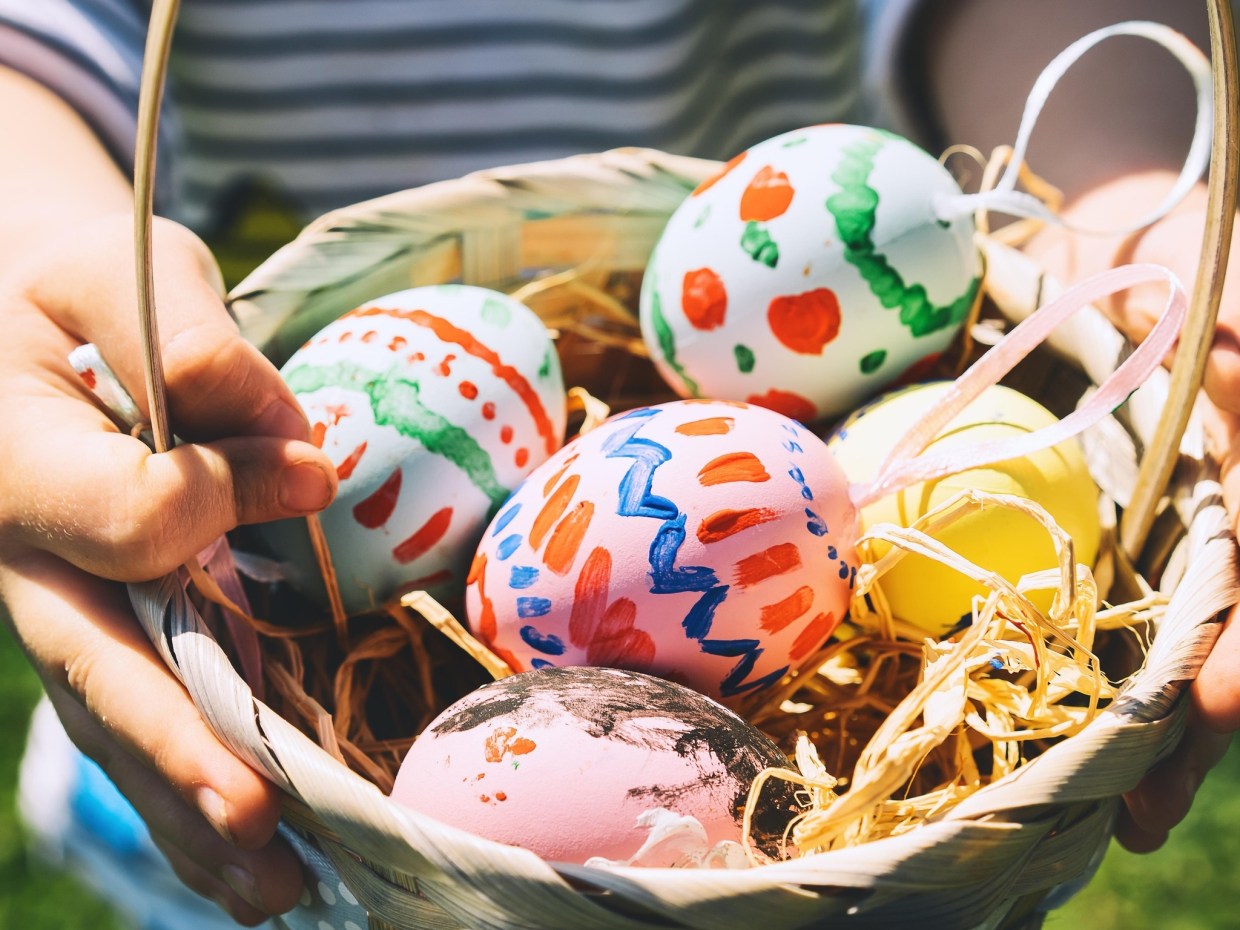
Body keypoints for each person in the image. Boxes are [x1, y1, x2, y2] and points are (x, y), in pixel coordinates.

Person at [0, 0, 1235, 926]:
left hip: (697, 386)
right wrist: (39, 273)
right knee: (235, 845)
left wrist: (1131, 203)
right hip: (256, 677)